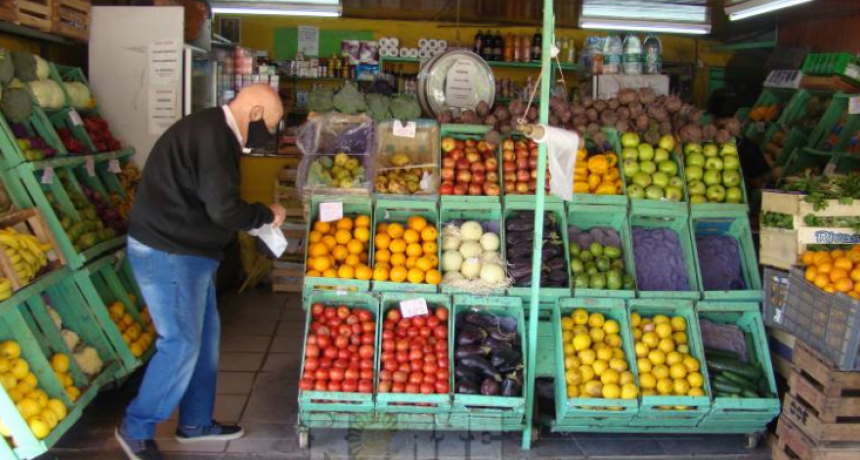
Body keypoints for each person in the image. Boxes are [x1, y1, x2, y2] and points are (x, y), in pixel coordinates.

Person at [115, 84, 287, 460]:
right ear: (254, 113)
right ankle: (137, 426)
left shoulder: (212, 128)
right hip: (169, 252)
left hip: (188, 251)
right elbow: (224, 210)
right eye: (269, 126)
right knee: (181, 344)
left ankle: (195, 423)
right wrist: (265, 214)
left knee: (205, 341)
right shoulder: (215, 138)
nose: (267, 136)